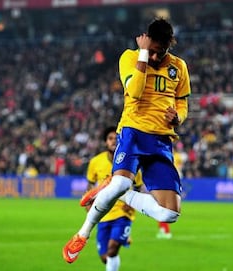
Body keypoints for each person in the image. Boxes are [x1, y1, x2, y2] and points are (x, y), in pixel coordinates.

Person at [63, 17, 191, 264]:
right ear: (147, 41)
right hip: (133, 132)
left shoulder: (179, 67)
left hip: (162, 140)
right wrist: (143, 53)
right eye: (152, 51)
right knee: (122, 184)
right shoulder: (130, 57)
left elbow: (183, 102)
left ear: (169, 47)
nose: (155, 57)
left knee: (170, 213)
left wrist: (179, 118)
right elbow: (134, 91)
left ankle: (114, 188)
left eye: (160, 53)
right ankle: (82, 234)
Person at [84, 126, 143, 271]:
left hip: (123, 212)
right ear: (105, 142)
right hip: (103, 213)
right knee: (105, 257)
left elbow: (138, 185)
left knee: (112, 249)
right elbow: (90, 185)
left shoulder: (131, 161)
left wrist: (132, 204)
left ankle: (121, 237)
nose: (114, 141)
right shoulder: (95, 162)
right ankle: (123, 238)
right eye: (110, 138)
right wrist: (88, 203)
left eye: (117, 138)